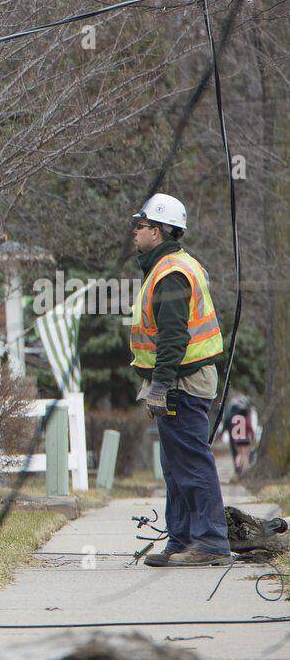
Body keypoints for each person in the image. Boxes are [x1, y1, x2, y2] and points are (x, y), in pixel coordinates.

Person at [128, 193, 231, 567]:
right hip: (181, 381)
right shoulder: (171, 267)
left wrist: (160, 384)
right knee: (176, 466)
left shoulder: (171, 272)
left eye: (139, 226)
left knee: (190, 463)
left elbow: (173, 336)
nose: (135, 232)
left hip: (181, 384)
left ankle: (212, 544)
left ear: (157, 231)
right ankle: (183, 539)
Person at [222, 393, 259, 475]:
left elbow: (227, 426)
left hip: (236, 440)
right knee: (245, 455)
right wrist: (253, 437)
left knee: (237, 455)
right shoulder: (245, 419)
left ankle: (237, 468)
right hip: (245, 439)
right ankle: (245, 470)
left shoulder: (233, 418)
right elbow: (251, 429)